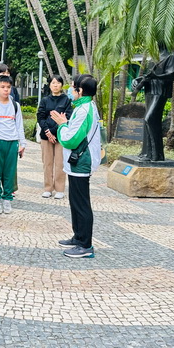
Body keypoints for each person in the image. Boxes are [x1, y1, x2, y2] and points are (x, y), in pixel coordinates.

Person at [51, 74, 101, 259]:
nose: (70, 91)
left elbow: (70, 140)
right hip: (77, 162)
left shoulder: (83, 110)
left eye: (73, 88)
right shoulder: (84, 107)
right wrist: (66, 124)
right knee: (75, 201)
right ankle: (78, 237)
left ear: (80, 90)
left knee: (81, 204)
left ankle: (85, 245)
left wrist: (62, 125)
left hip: (81, 162)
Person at [0, 75, 27, 214]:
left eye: (8, 87)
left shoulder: (15, 105)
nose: (6, 90)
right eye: (3, 87)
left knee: (10, 172)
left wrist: (22, 143)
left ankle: (7, 198)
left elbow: (19, 125)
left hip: (12, 142)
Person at [37, 75, 73, 199]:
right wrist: (47, 131)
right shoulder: (45, 100)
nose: (55, 85)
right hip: (46, 136)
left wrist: (54, 132)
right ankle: (48, 188)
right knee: (47, 163)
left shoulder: (66, 100)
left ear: (62, 85)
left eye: (58, 83)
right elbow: (40, 117)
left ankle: (59, 189)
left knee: (60, 163)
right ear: (50, 85)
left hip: (61, 135)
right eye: (53, 83)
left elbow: (67, 117)